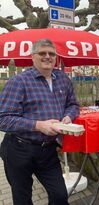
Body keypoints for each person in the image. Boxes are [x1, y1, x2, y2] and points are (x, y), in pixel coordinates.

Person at [0, 39, 79, 205]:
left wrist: (68, 117)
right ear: (33, 57)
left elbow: (73, 105)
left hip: (48, 150)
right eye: (42, 53)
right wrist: (38, 125)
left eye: (51, 53)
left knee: (60, 196)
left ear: (56, 57)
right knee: (22, 199)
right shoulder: (19, 82)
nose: (47, 57)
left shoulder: (63, 79)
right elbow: (4, 119)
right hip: (19, 149)